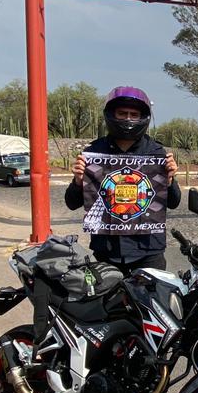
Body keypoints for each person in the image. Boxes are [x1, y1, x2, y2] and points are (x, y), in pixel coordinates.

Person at [64, 86, 180, 276]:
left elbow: (174, 203)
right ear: (112, 115)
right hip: (107, 251)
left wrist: (169, 180)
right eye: (122, 113)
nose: (128, 119)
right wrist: (78, 181)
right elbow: (71, 203)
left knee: (153, 303)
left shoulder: (156, 153)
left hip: (148, 249)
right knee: (110, 305)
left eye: (133, 114)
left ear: (143, 117)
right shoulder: (94, 153)